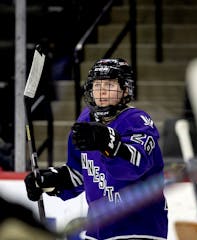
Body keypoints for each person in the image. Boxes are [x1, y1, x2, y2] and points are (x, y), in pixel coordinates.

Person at [24, 58, 168, 239]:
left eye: (109, 85)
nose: (102, 91)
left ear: (125, 90)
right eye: (97, 85)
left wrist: (108, 143)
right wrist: (51, 180)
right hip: (98, 231)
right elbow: (79, 173)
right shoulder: (85, 120)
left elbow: (135, 165)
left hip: (139, 229)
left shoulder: (137, 121)